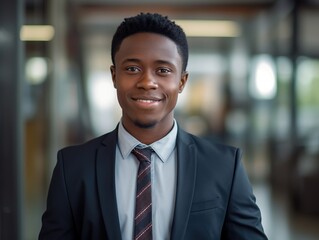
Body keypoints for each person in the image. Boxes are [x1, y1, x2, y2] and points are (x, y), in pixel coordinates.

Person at [39, 12, 268, 240]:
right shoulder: (72, 167)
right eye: (132, 69)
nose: (147, 82)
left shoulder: (224, 166)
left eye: (163, 70)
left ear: (181, 81)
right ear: (114, 76)